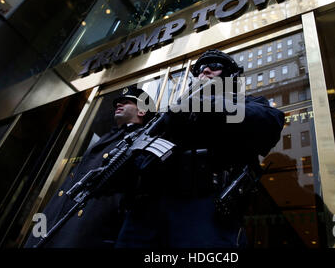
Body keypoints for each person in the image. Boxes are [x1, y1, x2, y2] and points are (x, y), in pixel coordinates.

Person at [114, 49, 285, 248]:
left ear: (229, 77)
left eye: (215, 67)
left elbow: (270, 122)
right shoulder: (172, 114)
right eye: (201, 69)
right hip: (149, 210)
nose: (206, 70)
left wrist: (205, 104)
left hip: (206, 209)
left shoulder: (244, 103)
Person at [24, 86, 154, 248]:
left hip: (84, 226)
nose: (119, 105)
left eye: (126, 102)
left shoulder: (144, 140)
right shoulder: (109, 137)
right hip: (56, 216)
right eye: (118, 103)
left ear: (142, 111)